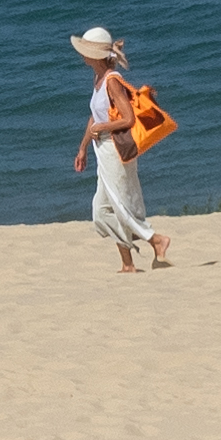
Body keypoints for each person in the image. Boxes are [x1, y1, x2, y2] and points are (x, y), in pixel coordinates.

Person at [69, 26, 170, 272]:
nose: (81, 55)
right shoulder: (98, 79)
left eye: (85, 51)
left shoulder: (112, 80)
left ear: (95, 54)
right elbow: (95, 117)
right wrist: (83, 147)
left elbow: (128, 119)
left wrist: (102, 127)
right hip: (101, 149)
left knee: (120, 206)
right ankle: (129, 262)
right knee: (101, 212)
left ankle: (154, 241)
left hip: (114, 150)